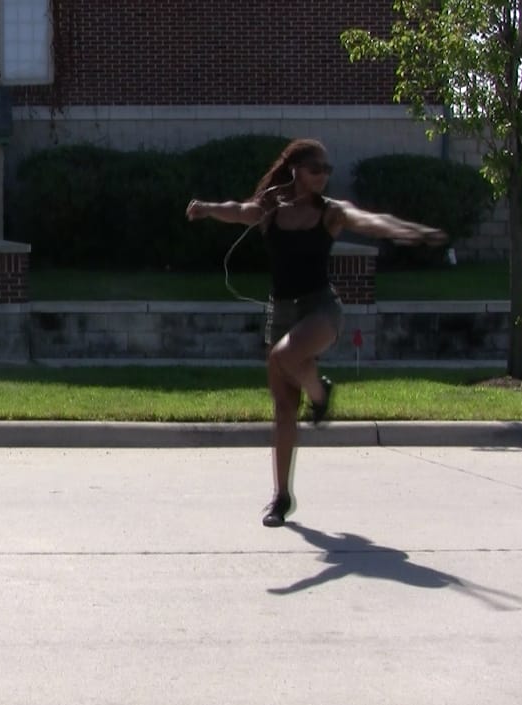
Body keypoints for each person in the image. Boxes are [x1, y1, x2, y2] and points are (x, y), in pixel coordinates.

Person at [185, 138, 447, 527]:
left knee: (283, 356)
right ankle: (281, 497)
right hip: (281, 312)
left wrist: (409, 231)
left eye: (328, 170)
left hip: (321, 309)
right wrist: (206, 208)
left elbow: (371, 220)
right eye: (316, 169)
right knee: (284, 411)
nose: (323, 176)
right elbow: (239, 210)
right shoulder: (271, 210)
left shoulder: (331, 213)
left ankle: (320, 392)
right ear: (296, 170)